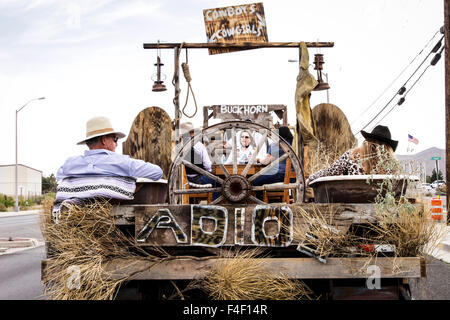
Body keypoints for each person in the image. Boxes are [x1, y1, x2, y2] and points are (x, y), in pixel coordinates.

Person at [54, 116, 163, 215]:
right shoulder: (121, 162)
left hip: (80, 214)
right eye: (115, 139)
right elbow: (157, 172)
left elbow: (59, 176)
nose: (116, 143)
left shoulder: (70, 163)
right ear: (104, 140)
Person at [306, 125, 399, 187]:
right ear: (388, 148)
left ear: (367, 141)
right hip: (380, 208)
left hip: (352, 201)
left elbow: (330, 171)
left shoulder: (352, 155)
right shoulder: (391, 165)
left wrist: (311, 178)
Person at [252, 126, 294, 199]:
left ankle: (260, 200)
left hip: (278, 174)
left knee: (255, 182)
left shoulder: (274, 145)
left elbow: (266, 162)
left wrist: (258, 159)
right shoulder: (291, 145)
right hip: (292, 177)